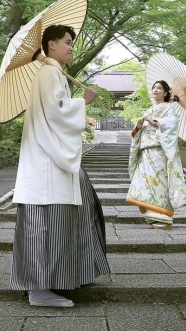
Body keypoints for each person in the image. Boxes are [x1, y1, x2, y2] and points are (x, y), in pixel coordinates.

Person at [9, 24, 110, 308]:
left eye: (72, 42)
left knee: (58, 220)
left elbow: (56, 110)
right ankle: (39, 289)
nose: (71, 47)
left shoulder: (51, 72)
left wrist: (77, 103)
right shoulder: (49, 73)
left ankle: (58, 281)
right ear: (51, 45)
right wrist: (83, 102)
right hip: (47, 161)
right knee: (45, 224)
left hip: (48, 159)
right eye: (67, 41)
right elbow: (55, 112)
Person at [125, 80, 186, 229]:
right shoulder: (149, 109)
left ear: (166, 93)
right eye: (154, 87)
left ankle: (163, 216)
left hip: (159, 152)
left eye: (159, 88)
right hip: (145, 152)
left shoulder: (169, 109)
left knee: (158, 183)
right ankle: (153, 216)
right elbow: (139, 132)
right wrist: (139, 127)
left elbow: (172, 124)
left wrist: (156, 121)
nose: (155, 90)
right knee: (143, 183)